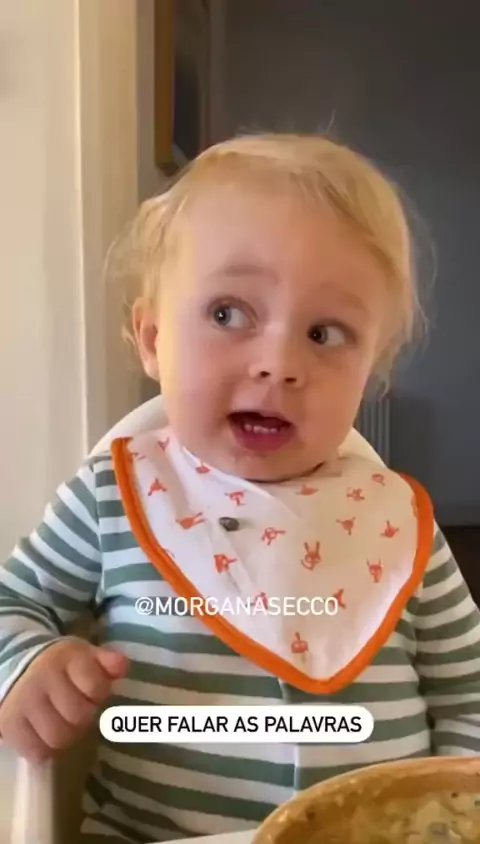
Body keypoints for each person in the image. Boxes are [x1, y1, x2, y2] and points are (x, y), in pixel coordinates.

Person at [0, 133, 479, 843]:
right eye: (228, 314)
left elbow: (467, 688)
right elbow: (12, 601)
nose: (279, 363)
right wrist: (28, 665)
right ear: (152, 338)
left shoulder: (398, 524)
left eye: (325, 333)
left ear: (373, 371)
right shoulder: (112, 500)